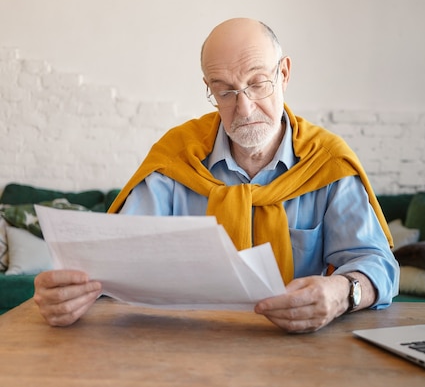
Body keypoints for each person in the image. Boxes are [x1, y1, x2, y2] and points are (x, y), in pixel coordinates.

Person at [34, 17, 399, 333]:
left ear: (284, 73)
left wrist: (343, 293)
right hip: (186, 344)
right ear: (208, 88)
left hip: (298, 347)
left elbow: (376, 263)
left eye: (257, 84)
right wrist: (69, 292)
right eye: (224, 91)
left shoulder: (327, 163)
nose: (243, 107)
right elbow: (114, 260)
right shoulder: (176, 159)